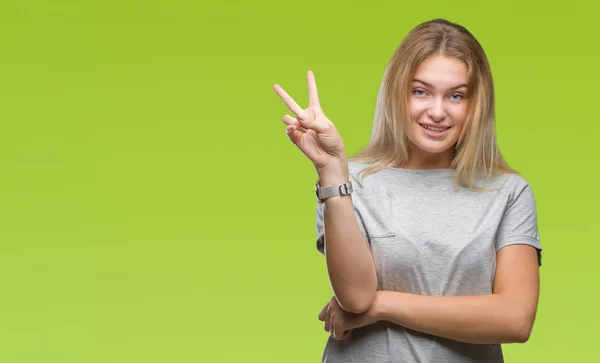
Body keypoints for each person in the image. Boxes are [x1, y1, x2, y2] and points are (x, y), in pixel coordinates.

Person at [272, 18, 542, 363]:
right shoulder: (349, 181)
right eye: (421, 91)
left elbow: (515, 320)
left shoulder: (507, 192)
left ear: (476, 105)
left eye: (456, 96)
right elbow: (355, 298)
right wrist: (331, 170)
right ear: (397, 93)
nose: (437, 112)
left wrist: (383, 305)